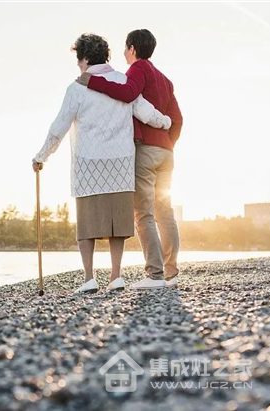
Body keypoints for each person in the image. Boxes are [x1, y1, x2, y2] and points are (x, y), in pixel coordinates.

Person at [32, 33, 172, 294]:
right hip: (120, 165)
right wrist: (165, 122)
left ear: (84, 58)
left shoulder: (77, 88)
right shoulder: (122, 80)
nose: (78, 64)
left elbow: (59, 127)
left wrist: (41, 156)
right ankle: (116, 276)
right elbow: (145, 111)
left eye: (78, 59)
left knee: (87, 225)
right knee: (116, 224)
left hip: (89, 166)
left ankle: (89, 278)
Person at [77, 29, 183, 289]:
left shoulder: (138, 69)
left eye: (126, 48)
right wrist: (168, 143)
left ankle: (155, 275)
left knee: (144, 214)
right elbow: (178, 119)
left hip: (145, 149)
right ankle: (171, 272)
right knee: (165, 212)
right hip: (166, 151)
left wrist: (91, 81)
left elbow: (128, 94)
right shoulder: (166, 80)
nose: (124, 53)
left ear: (133, 48)